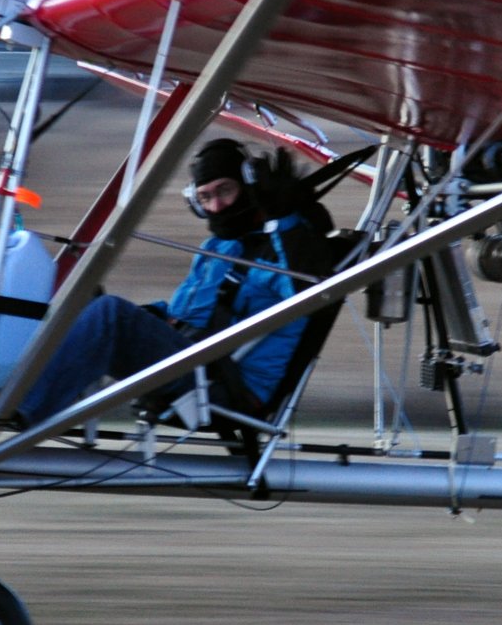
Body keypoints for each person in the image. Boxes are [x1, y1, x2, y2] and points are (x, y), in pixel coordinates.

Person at [17, 138, 331, 425]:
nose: (216, 207)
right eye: (205, 197)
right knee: (83, 300)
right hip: (193, 359)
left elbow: (309, 293)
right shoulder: (218, 248)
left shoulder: (290, 248)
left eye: (224, 191)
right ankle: (15, 391)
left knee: (110, 315)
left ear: (248, 186)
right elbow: (187, 313)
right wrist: (148, 315)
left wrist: (285, 219)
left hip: (225, 384)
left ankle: (20, 409)